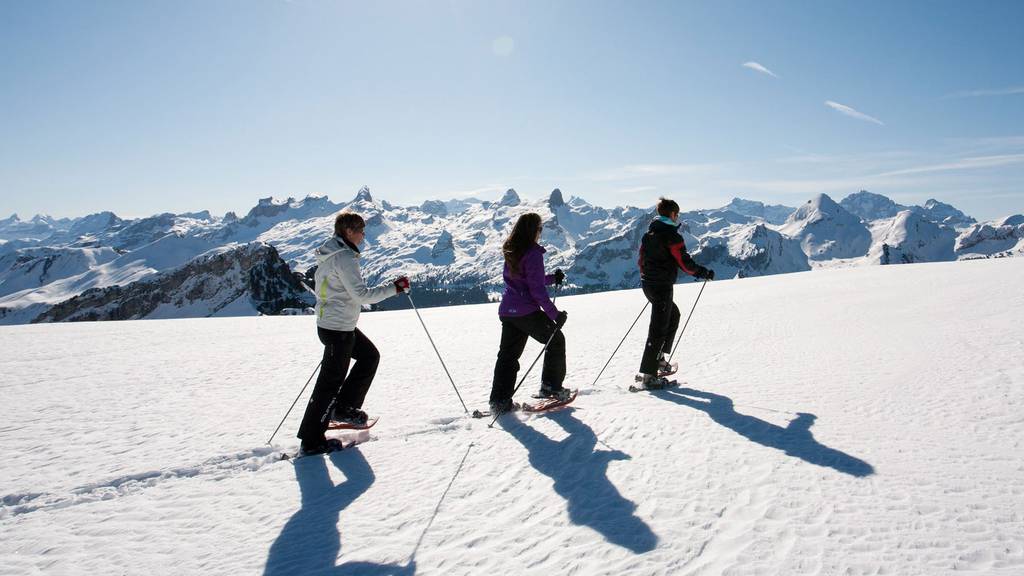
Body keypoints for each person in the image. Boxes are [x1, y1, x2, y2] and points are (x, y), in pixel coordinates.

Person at [296, 211, 410, 455]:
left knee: (369, 356)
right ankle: (312, 439)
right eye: (360, 230)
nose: (363, 235)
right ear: (348, 232)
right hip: (338, 328)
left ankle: (344, 407)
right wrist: (395, 288)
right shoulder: (345, 257)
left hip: (336, 324)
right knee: (328, 384)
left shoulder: (330, 254)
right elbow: (362, 295)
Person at [489, 212, 570, 414]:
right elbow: (536, 291)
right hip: (526, 311)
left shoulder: (512, 250)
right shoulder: (533, 253)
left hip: (508, 311)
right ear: (533, 231)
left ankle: (499, 400)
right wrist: (555, 314)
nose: (540, 233)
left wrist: (551, 278)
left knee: (508, 357)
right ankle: (551, 387)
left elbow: (526, 279)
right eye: (540, 229)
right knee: (556, 340)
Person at [636, 198, 714, 389]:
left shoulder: (650, 234)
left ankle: (659, 360)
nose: (677, 217)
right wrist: (703, 272)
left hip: (649, 284)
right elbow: (684, 262)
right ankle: (649, 375)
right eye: (677, 214)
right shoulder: (671, 236)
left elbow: (641, 260)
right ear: (672, 214)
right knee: (658, 328)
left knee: (672, 315)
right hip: (661, 285)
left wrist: (648, 278)